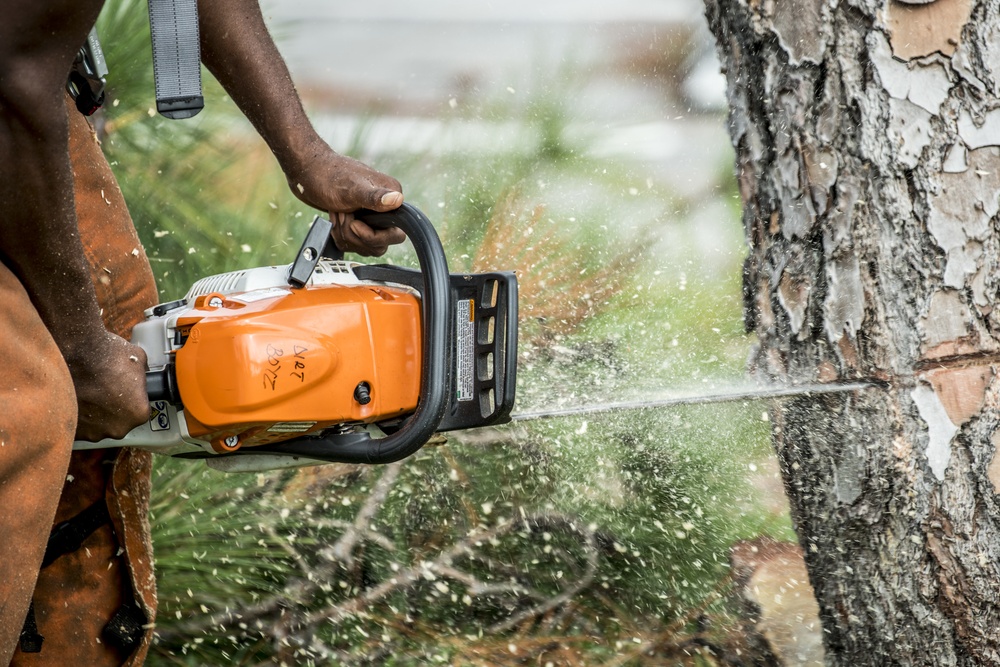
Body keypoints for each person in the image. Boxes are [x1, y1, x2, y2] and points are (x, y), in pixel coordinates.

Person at [0, 0, 406, 663]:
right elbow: (14, 78)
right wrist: (78, 358)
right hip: (14, 84)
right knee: (28, 409)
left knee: (125, 340)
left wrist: (304, 151)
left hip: (28, 82)